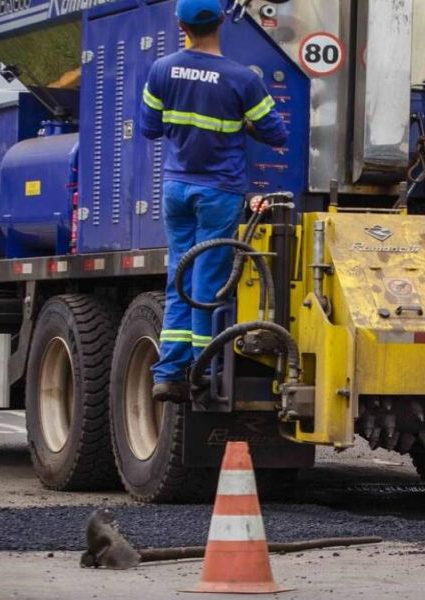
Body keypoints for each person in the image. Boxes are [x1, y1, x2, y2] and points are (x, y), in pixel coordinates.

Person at [139, 0, 289, 402]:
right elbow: (276, 134)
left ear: (180, 24)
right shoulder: (241, 79)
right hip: (220, 191)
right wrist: (242, 125)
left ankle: (168, 373)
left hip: (176, 187)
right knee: (207, 282)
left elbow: (149, 128)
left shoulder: (162, 70)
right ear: (222, 21)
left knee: (178, 279)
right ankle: (202, 369)